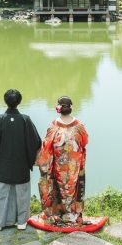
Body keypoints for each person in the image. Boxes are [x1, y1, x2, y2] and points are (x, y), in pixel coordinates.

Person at [0, 88, 42, 231]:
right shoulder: (25, 120)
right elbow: (36, 142)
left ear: (5, 101)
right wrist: (29, 157)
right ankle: (22, 222)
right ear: (19, 102)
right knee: (22, 194)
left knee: (1, 194)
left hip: (2, 164)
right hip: (21, 164)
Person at [35, 95, 89, 226]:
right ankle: (71, 214)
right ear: (71, 108)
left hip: (58, 164)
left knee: (57, 186)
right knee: (72, 187)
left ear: (58, 108)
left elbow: (47, 144)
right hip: (74, 164)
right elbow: (85, 141)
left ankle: (57, 213)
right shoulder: (79, 125)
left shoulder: (54, 125)